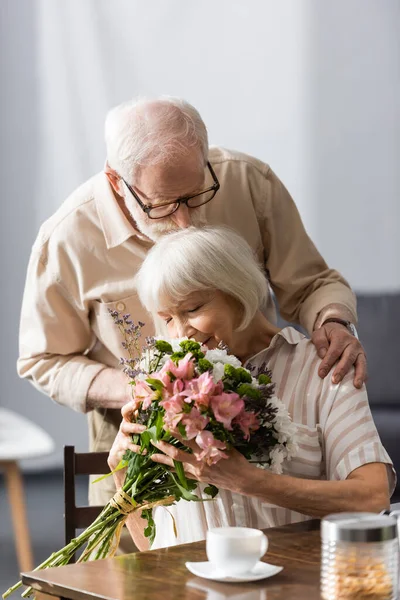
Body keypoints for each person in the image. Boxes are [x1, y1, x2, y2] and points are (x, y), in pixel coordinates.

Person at [18, 97, 366, 516]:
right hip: (143, 448)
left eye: (197, 195)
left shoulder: (249, 182)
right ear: (116, 182)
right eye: (164, 205)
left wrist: (334, 321)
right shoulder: (66, 239)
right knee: (139, 575)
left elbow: (312, 284)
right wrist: (147, 391)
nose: (185, 221)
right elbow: (43, 359)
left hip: (260, 433)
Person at [108, 226, 394, 551]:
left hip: (297, 585)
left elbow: (372, 496)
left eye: (192, 309)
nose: (181, 333)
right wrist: (122, 472)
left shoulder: (323, 367)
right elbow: (151, 549)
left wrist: (248, 481)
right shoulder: (167, 382)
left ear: (239, 290)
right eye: (168, 318)